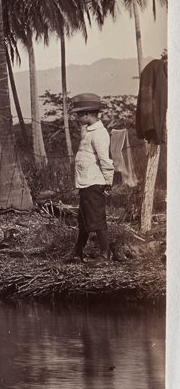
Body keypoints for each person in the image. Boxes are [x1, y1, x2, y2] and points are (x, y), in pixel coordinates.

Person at [71, 93, 116, 263]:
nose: (77, 117)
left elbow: (105, 159)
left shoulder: (99, 134)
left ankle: (105, 254)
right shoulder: (88, 132)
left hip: (94, 182)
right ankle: (77, 252)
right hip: (86, 182)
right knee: (83, 219)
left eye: (78, 114)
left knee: (96, 218)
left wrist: (108, 181)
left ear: (87, 115)